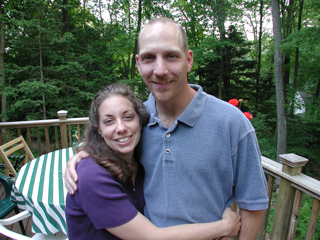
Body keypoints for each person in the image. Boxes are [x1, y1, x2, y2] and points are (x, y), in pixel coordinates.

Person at [66, 17, 269, 239]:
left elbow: (253, 204)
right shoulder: (137, 121)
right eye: (149, 58)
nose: (160, 70)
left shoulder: (233, 124)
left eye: (171, 56)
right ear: (138, 63)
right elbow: (108, 146)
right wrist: (83, 155)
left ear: (188, 60)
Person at [65, 84, 241, 240]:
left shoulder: (139, 162)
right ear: (99, 130)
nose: (120, 128)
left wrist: (223, 206)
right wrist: (224, 226)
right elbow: (153, 236)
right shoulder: (91, 177)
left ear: (140, 122)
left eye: (127, 117)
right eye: (109, 121)